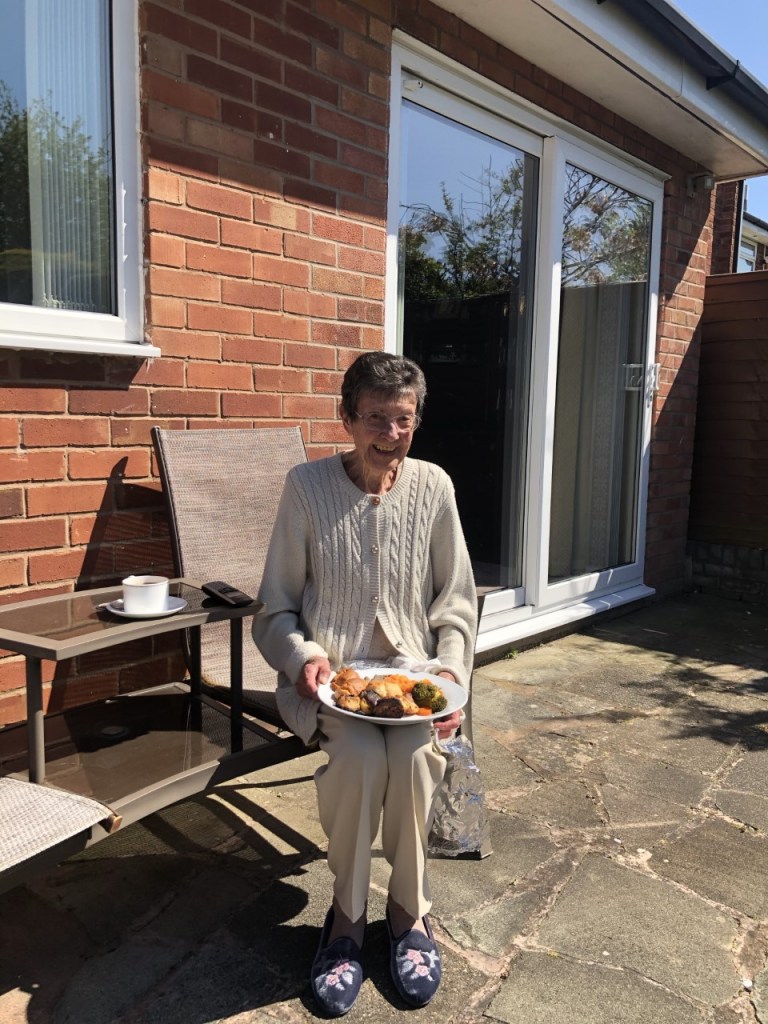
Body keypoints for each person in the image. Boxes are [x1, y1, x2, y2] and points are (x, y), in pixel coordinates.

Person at [253, 351, 477, 1015]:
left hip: (414, 686)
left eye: (403, 419)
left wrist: (449, 675)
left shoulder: (434, 487)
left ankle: (409, 913)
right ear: (346, 418)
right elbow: (274, 609)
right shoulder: (306, 487)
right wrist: (302, 658)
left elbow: (456, 605)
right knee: (357, 758)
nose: (390, 432)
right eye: (375, 417)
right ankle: (347, 919)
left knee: (412, 758)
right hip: (334, 685)